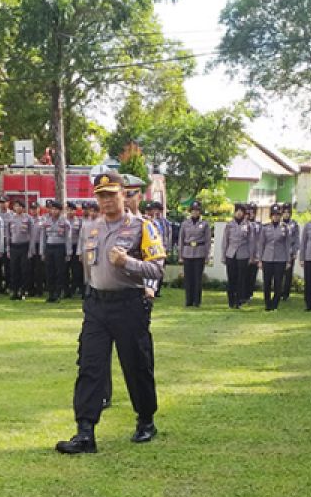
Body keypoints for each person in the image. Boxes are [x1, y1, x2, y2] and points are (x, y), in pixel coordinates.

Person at [56, 171, 166, 455]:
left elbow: (157, 269)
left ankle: (146, 421)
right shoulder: (91, 228)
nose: (106, 201)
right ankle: (85, 432)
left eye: (111, 194)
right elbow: (87, 268)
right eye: (101, 195)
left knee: (136, 365)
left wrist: (128, 262)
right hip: (97, 307)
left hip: (128, 305)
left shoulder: (144, 227)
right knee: (90, 367)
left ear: (124, 194)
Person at [178, 201, 212, 308]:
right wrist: (180, 255)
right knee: (188, 278)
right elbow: (181, 240)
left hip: (199, 252)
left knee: (197, 278)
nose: (195, 212)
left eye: (197, 210)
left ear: (200, 212)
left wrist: (207, 256)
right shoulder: (185, 223)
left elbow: (207, 241)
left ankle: (197, 301)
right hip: (187, 252)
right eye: (193, 210)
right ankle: (189, 300)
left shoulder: (205, 224)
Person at [39, 199, 72, 302]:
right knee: (49, 272)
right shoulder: (46, 221)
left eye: (56, 209)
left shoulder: (65, 222)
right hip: (49, 247)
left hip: (60, 248)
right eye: (52, 209)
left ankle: (57, 294)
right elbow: (43, 238)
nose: (53, 211)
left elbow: (68, 238)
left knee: (59, 272)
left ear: (60, 211)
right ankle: (50, 294)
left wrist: (68, 252)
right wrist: (42, 251)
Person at [5, 197, 36, 300]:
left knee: (24, 270)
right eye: (15, 206)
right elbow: (8, 235)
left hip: (24, 247)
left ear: (23, 208)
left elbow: (32, 236)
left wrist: (31, 250)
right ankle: (14, 290)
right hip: (14, 247)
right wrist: (8, 248)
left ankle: (23, 291)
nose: (16, 208)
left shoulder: (28, 219)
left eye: (18, 206)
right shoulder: (11, 219)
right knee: (14, 270)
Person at [222, 203, 252, 308]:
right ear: (234, 212)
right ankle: (231, 301)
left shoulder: (248, 225)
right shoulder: (229, 225)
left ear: (244, 213)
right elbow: (225, 241)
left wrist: (251, 256)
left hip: (243, 255)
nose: (239, 213)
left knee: (241, 279)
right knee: (231, 279)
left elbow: (251, 241)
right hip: (231, 254)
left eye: (241, 211)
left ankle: (239, 301)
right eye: (237, 211)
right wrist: (223, 256)